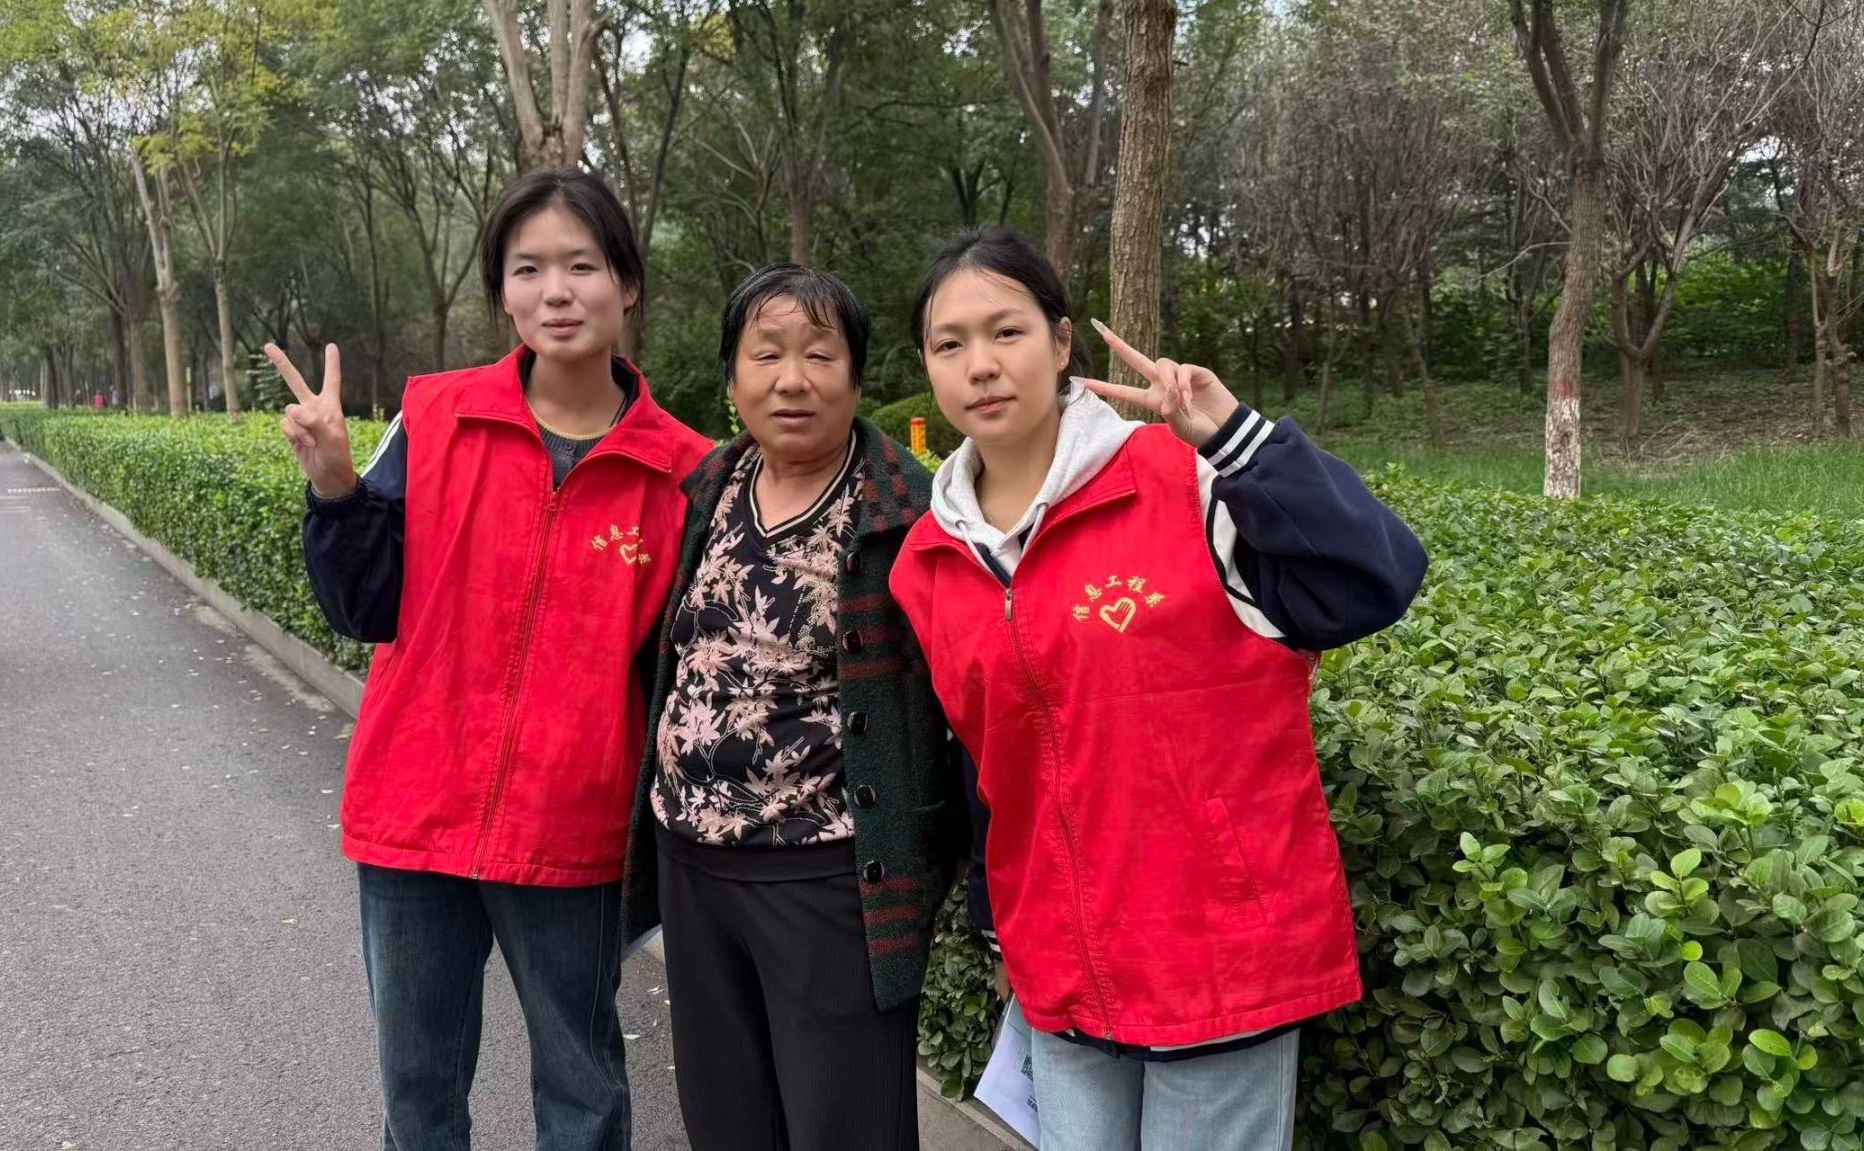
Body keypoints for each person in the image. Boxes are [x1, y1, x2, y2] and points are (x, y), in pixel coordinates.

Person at [888, 228, 1428, 1151]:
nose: (980, 364)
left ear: (1062, 341)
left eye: (1007, 331)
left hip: (1217, 957)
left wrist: (1238, 439)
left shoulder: (1186, 483)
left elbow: (1378, 577)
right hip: (1060, 964)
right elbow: (991, 765)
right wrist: (1004, 931)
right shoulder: (930, 560)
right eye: (950, 343)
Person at [274, 167, 711, 1151]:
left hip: (573, 828)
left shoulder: (684, 470)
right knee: (419, 1089)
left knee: (584, 1088)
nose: (557, 292)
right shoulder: (436, 416)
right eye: (528, 269)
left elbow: (686, 677)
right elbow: (362, 607)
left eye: (581, 266)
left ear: (627, 283)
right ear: (502, 291)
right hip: (414, 811)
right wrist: (337, 489)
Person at [621, 266, 968, 1151]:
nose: (792, 379)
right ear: (732, 377)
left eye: (819, 354)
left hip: (827, 876)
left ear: (856, 374)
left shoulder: (906, 511)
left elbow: (963, 703)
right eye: (766, 354)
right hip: (692, 863)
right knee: (727, 1118)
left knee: (843, 1125)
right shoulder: (711, 486)